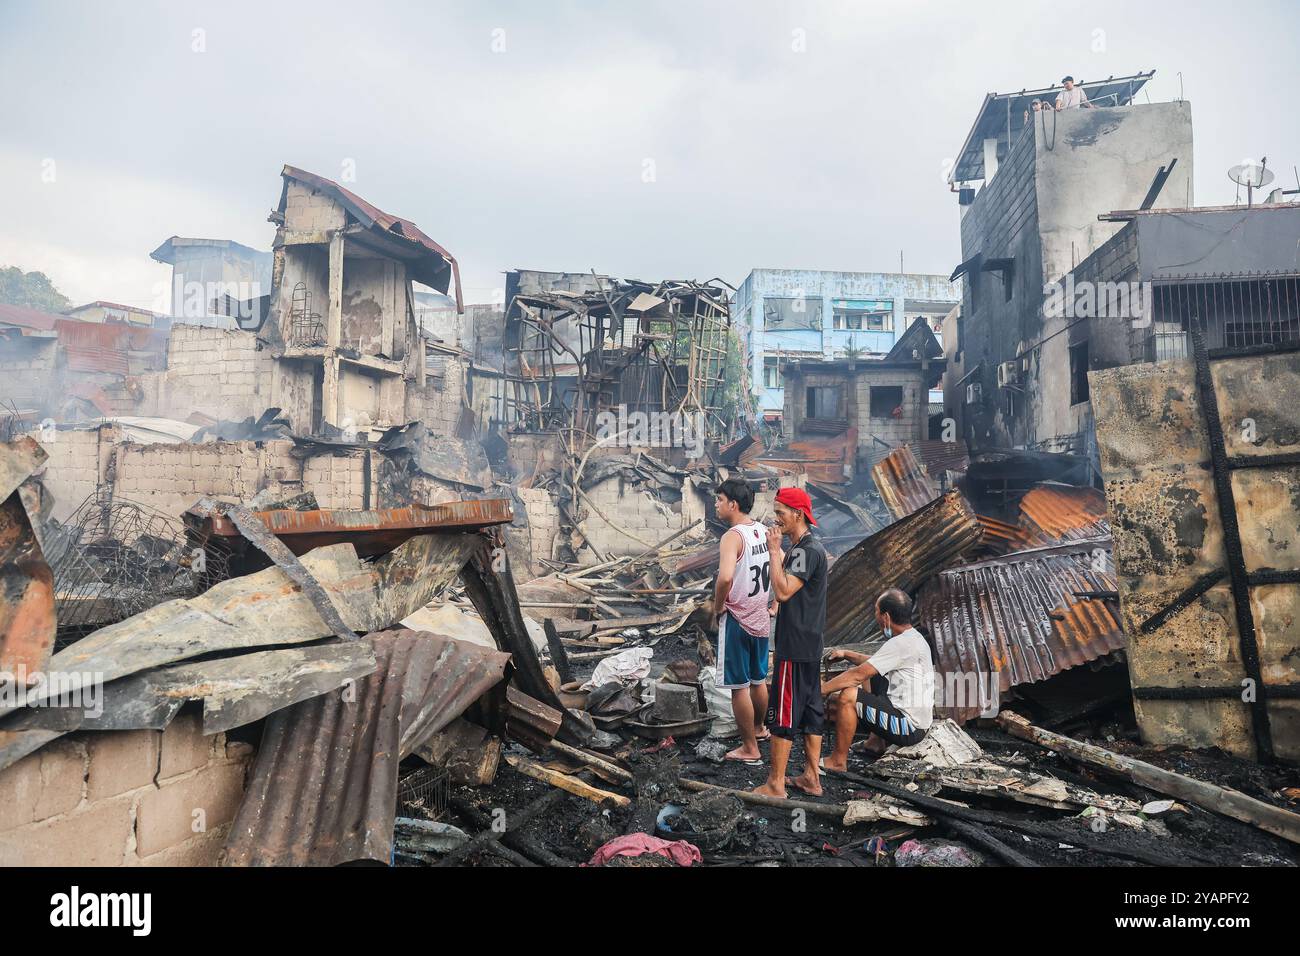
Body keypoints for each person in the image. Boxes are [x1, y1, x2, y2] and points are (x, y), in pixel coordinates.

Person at [754, 487, 828, 798]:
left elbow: (783, 591)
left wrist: (773, 549)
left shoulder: (804, 551)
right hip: (809, 644)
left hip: (794, 646)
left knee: (783, 714)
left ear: (798, 514)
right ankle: (811, 777)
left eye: (781, 512)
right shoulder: (806, 549)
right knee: (811, 711)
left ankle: (775, 784)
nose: (777, 518)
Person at [820, 588, 935, 772]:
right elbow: (874, 664)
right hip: (917, 722)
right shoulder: (913, 638)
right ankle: (875, 743)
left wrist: (821, 691)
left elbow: (857, 675)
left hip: (909, 729)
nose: (876, 615)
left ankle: (837, 762)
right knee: (876, 674)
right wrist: (847, 654)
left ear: (886, 617)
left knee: (849, 695)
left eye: (876, 611)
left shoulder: (900, 644)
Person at [710, 478, 772, 765]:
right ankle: (759, 729)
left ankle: (749, 748)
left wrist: (718, 606)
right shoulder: (761, 531)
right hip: (760, 615)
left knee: (739, 686)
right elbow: (780, 561)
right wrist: (776, 602)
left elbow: (724, 577)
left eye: (719, 500)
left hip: (737, 616)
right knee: (759, 679)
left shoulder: (732, 537)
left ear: (733, 504)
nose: (716, 504)